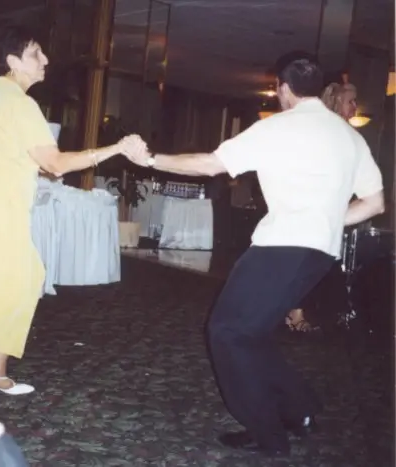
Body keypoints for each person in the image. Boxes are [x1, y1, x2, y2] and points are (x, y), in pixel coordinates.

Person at [123, 53, 384, 456]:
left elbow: (211, 164)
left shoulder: (277, 128)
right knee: (251, 333)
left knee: (227, 333)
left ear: (283, 88)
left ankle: (269, 434)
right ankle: (300, 407)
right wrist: (328, 220)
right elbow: (375, 202)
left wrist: (150, 159)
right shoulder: (350, 137)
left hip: (280, 247)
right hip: (319, 253)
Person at [0, 25, 143, 415]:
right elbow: (55, 164)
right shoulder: (17, 104)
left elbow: (1, 155)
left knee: (25, 278)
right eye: (36, 53)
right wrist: (117, 148)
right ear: (13, 61)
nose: (45, 60)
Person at [286, 80, 359, 332]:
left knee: (319, 261)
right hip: (311, 205)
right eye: (351, 101)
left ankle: (303, 311)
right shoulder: (325, 130)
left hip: (330, 208)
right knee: (306, 260)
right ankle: (294, 312)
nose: (355, 107)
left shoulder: (346, 134)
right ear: (337, 102)